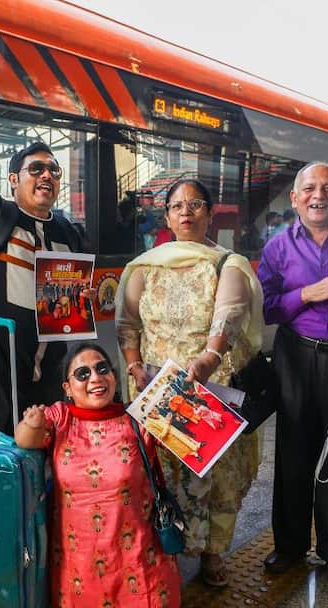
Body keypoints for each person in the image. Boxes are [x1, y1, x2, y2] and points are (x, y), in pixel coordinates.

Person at [115, 178, 264, 587]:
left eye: (196, 204)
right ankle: (165, 546)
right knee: (162, 474)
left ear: (210, 213)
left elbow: (228, 319)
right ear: (166, 216)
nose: (186, 212)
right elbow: (127, 325)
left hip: (207, 388)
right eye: (177, 206)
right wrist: (133, 366)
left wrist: (208, 357)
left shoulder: (227, 263)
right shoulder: (145, 266)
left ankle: (213, 553)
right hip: (156, 390)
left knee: (214, 474)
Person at [0, 45, 91, 434]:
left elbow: (72, 309)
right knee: (9, 461)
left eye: (54, 169)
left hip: (54, 370)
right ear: (13, 180)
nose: (46, 175)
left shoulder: (67, 233)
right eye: (35, 169)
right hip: (1, 369)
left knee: (52, 458)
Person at [14, 343, 181, 606]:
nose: (95, 378)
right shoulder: (60, 418)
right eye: (82, 373)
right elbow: (25, 440)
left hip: (140, 561)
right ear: (67, 388)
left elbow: (194, 437)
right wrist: (31, 422)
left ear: (114, 376)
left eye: (102, 369)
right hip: (79, 569)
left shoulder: (139, 417)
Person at [256, 161, 328, 583]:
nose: (318, 196)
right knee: (292, 453)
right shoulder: (277, 248)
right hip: (296, 355)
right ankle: (288, 547)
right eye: (309, 188)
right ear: (294, 198)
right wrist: (308, 294)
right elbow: (266, 309)